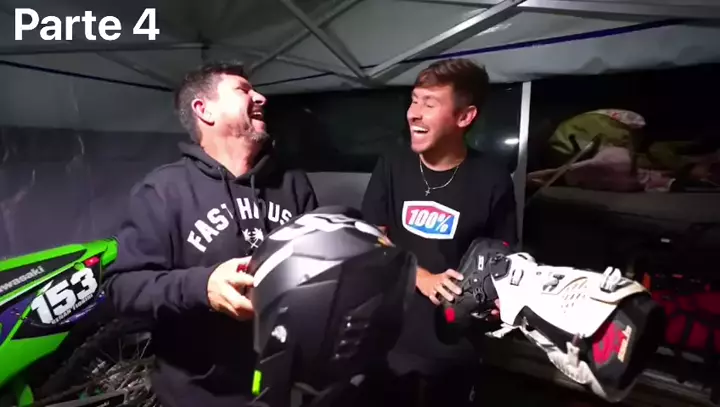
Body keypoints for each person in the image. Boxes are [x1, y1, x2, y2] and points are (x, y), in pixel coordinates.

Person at [104, 61, 318, 407]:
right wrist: (203, 287)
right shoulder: (162, 190)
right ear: (204, 110)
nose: (260, 98)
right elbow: (123, 288)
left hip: (286, 386)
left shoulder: (293, 183)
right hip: (200, 395)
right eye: (243, 90)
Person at [360, 58, 518, 406]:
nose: (414, 114)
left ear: (464, 117)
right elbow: (370, 238)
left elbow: (505, 256)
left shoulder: (492, 178)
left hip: (453, 348)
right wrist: (419, 276)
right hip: (389, 338)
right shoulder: (392, 164)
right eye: (414, 100)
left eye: (429, 104)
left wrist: (498, 301)